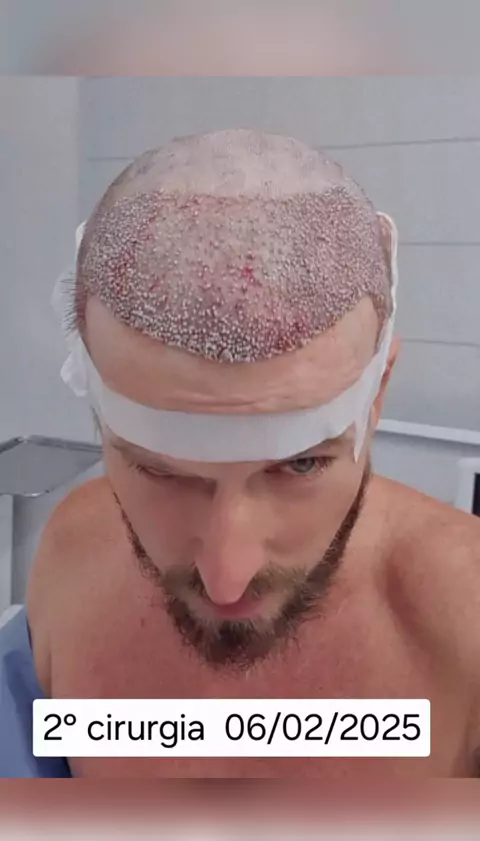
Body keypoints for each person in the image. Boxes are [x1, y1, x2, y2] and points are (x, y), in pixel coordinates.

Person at [1, 129, 479, 778]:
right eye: (158, 469)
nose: (226, 580)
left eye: (301, 464)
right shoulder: (74, 553)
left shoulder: (465, 621)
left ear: (377, 396)